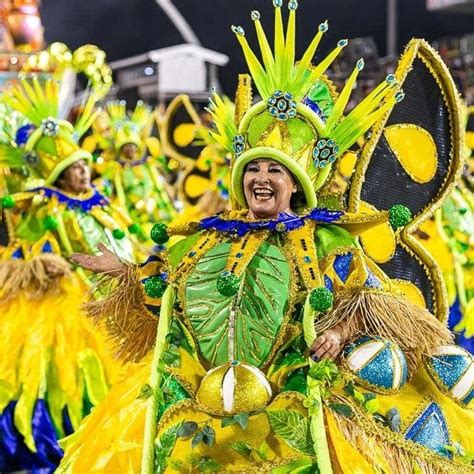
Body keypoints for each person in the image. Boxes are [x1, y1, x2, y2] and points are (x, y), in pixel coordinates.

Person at [60, 3, 473, 473]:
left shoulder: (323, 239)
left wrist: (338, 333)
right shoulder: (204, 238)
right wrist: (129, 275)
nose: (261, 178)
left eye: (275, 169)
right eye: (252, 168)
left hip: (298, 407)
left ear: (295, 182)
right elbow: (168, 291)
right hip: (205, 412)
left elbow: (370, 301)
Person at [0, 78, 136, 472]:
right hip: (67, 302)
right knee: (62, 372)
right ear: (59, 176)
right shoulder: (46, 207)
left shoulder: (101, 204)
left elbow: (126, 239)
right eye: (73, 168)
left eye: (83, 164)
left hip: (113, 296)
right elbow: (26, 252)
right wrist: (45, 265)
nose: (82, 172)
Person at [83, 100, 176, 241]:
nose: (130, 150)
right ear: (120, 149)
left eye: (132, 146)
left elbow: (163, 181)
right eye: (126, 147)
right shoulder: (115, 168)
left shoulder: (149, 165)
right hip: (135, 220)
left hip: (162, 214)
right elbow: (105, 183)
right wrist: (98, 189)